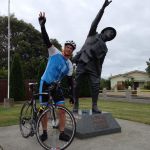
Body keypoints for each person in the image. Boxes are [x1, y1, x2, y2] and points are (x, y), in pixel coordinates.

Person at [72, 0, 117, 113]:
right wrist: (103, 8)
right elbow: (95, 21)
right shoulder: (93, 34)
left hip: (93, 67)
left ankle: (94, 105)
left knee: (96, 85)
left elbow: (100, 62)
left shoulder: (105, 48)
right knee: (77, 85)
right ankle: (76, 103)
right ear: (105, 31)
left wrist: (98, 74)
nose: (111, 35)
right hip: (82, 62)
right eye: (110, 32)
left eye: (112, 36)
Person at [38, 12, 76, 142]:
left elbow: (71, 81)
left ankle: (62, 133)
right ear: (63, 47)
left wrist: (72, 95)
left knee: (62, 110)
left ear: (72, 51)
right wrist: (42, 26)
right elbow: (46, 39)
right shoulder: (54, 52)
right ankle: (44, 132)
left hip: (56, 86)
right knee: (44, 109)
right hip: (46, 82)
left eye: (71, 48)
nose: (69, 49)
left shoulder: (70, 65)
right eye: (67, 46)